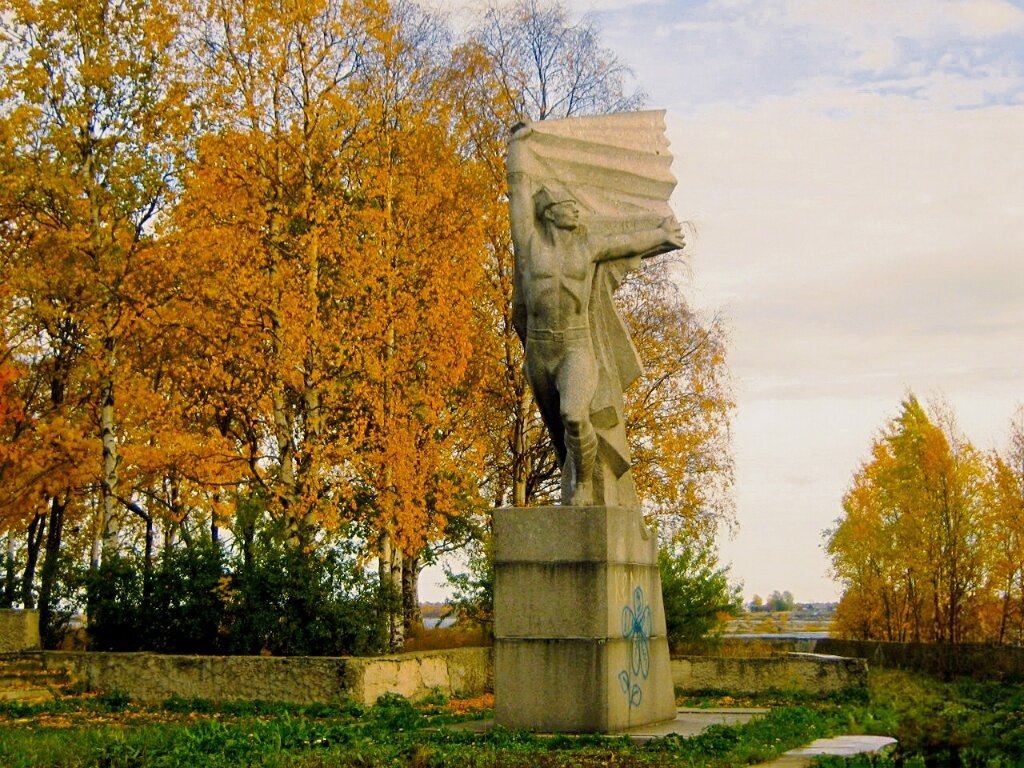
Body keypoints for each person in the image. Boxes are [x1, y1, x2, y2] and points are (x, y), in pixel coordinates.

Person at [507, 122, 685, 506]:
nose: (576, 210)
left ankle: (584, 487)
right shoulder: (530, 246)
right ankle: (575, 475)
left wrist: (661, 235)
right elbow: (518, 193)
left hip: (575, 345)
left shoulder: (585, 247)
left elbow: (625, 243)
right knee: (559, 435)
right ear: (551, 214)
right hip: (539, 352)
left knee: (574, 414)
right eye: (569, 206)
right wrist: (517, 149)